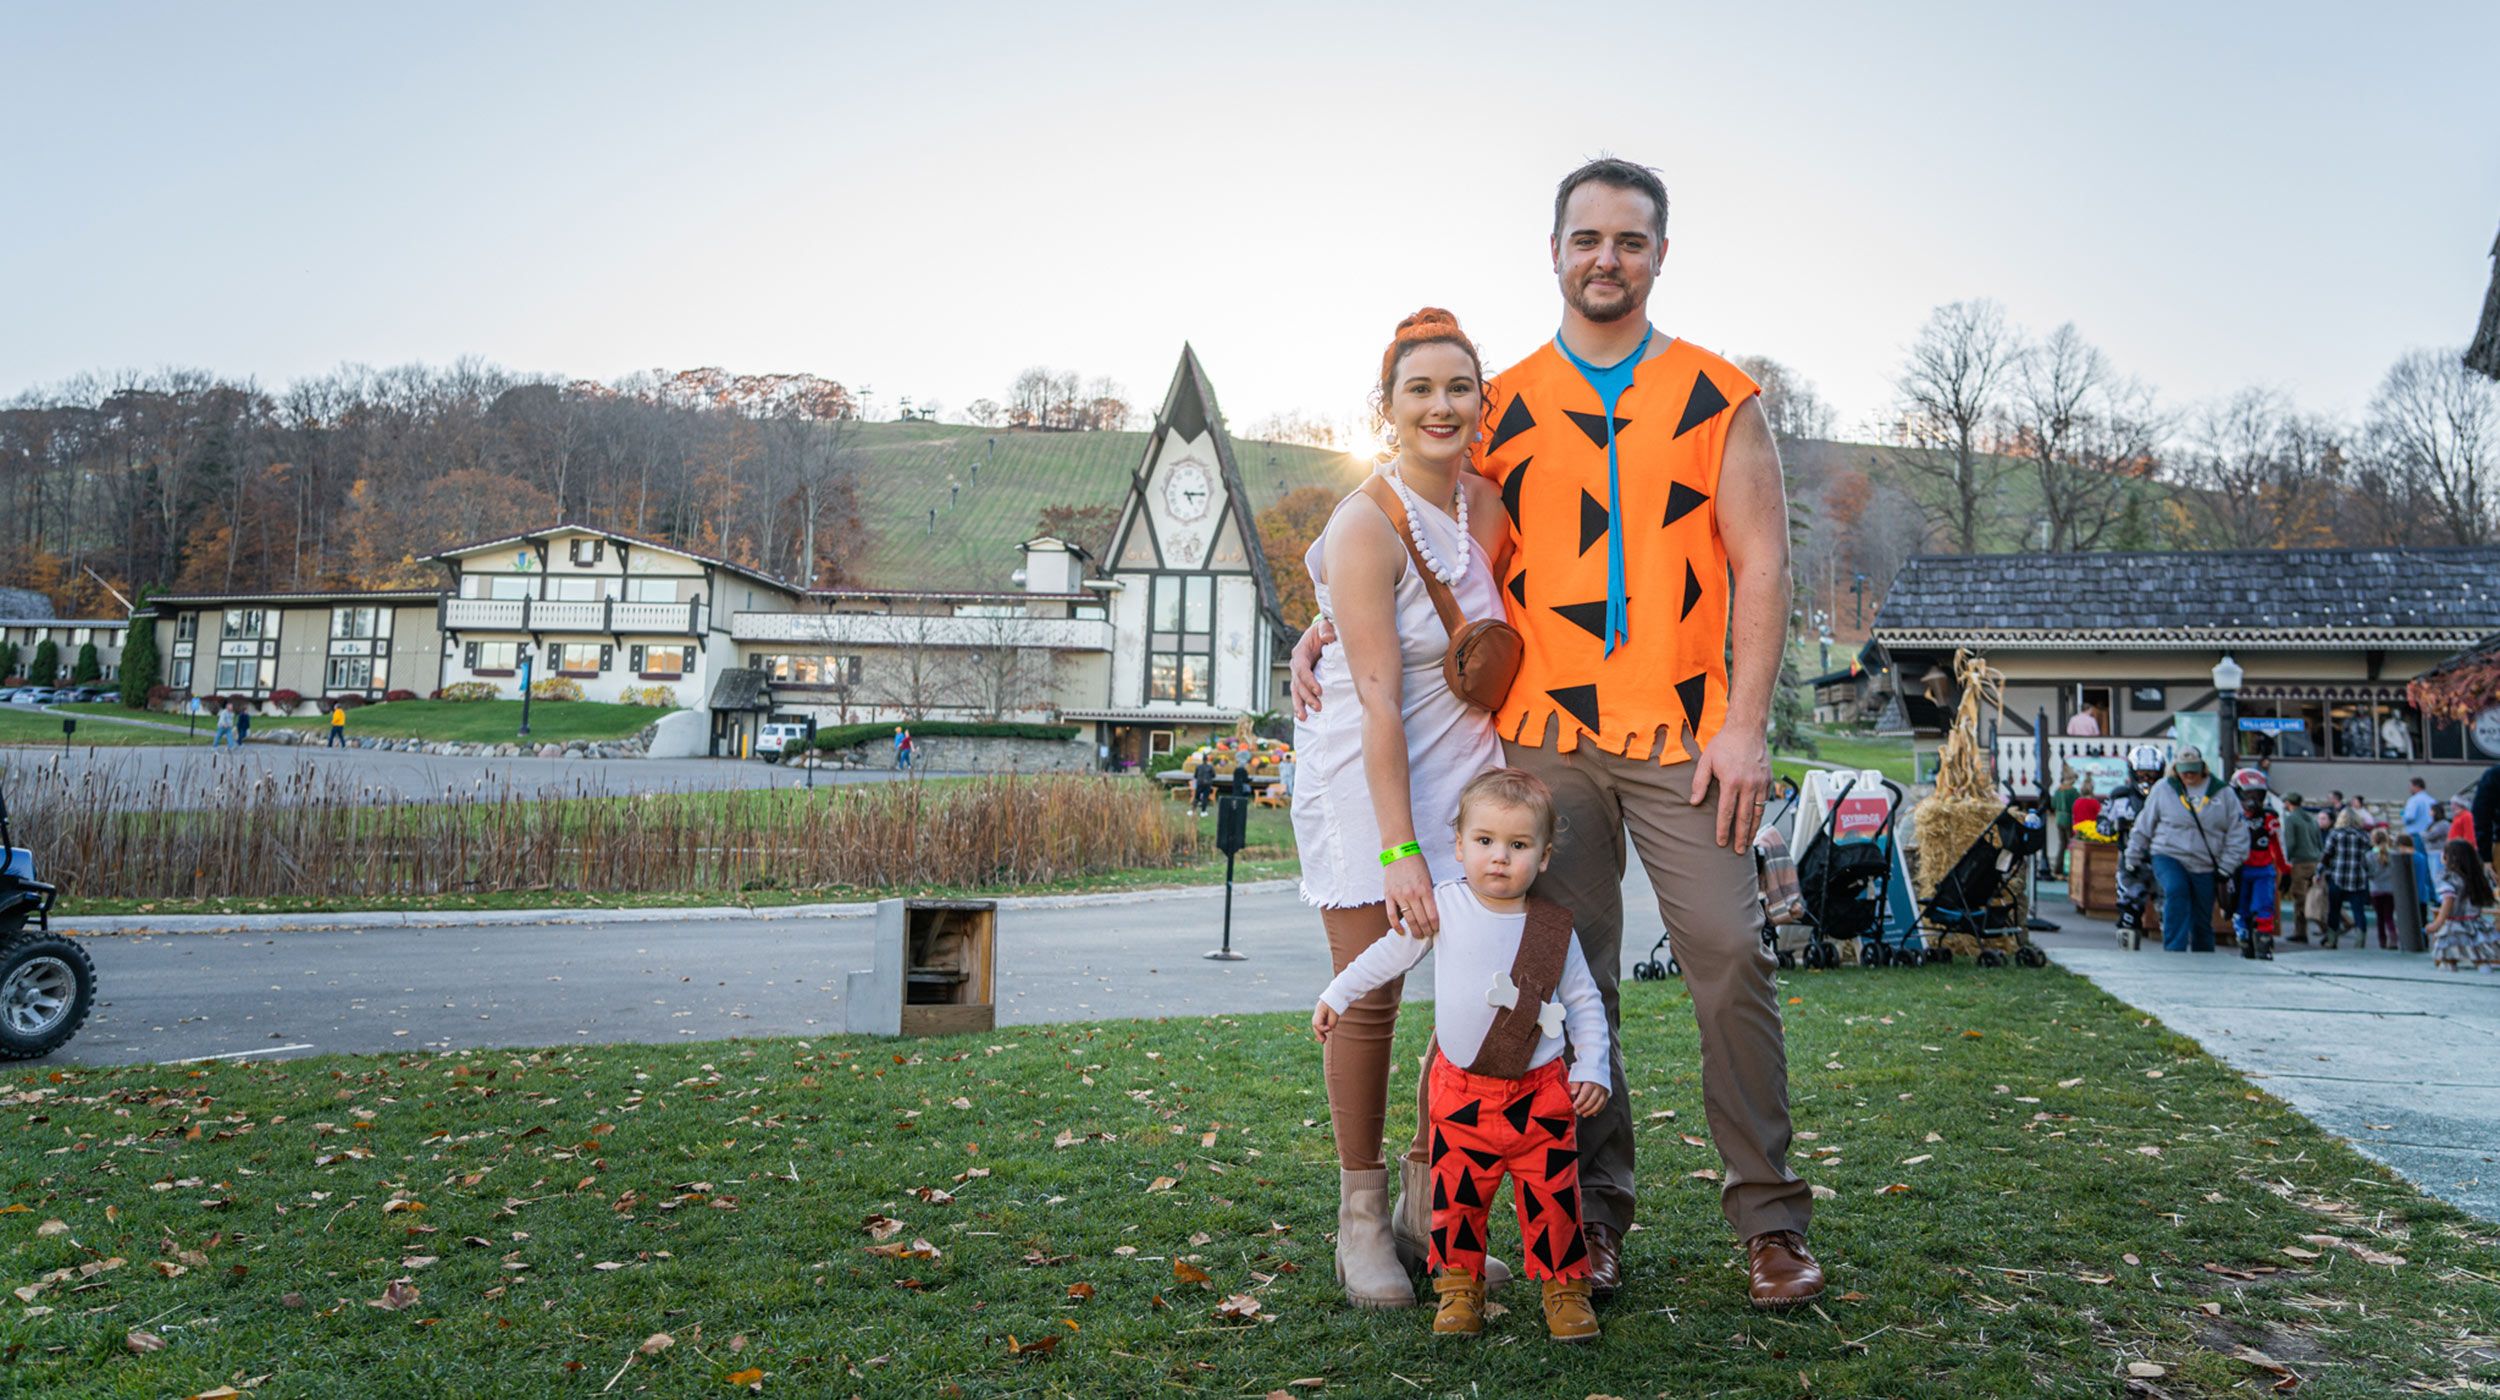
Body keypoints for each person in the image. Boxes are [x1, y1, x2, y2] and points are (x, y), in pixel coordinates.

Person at [1293, 159, 1820, 1310]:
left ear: (1659, 255)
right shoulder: (1504, 406)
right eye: (1586, 238)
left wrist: (1745, 722)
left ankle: (1769, 1219)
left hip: (1686, 735)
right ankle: (1586, 1217)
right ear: (1553, 251)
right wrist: (1324, 622)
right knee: (1563, 975)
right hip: (1541, 743)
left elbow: (1765, 561)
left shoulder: (1718, 396)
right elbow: (1413, 527)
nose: (1606, 258)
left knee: (1728, 950)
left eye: (1629, 241)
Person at [1291, 308, 1511, 1310]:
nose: (1440, 405)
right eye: (1418, 389)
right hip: (1366, 766)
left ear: (1481, 401)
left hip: (1465, 761)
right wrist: (1397, 849)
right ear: (1385, 409)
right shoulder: (1363, 520)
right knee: (1372, 986)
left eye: (1457, 387)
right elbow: (1376, 692)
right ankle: (1360, 1218)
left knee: (1473, 979)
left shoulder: (1492, 508)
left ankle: (1435, 1203)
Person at [1314, 769, 1610, 1342]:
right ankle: (1458, 1290)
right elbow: (1385, 956)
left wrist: (1593, 1065)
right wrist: (1337, 994)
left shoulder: (1553, 929)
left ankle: (1565, 1290)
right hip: (1461, 1093)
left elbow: (1585, 1002)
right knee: (1457, 1201)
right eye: (1484, 842)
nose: (1499, 858)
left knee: (1554, 1199)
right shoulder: (1443, 907)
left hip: (1540, 1094)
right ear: (1458, 845)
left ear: (1543, 857)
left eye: (1518, 846)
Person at [2123, 746, 2249, 954]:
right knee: (2176, 890)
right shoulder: (2164, 788)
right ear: (2176, 769)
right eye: (2184, 770)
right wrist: (2132, 856)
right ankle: (2174, 950)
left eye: (2193, 770)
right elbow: (2144, 824)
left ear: (2203, 768)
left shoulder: (2223, 793)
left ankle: (2203, 956)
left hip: (2206, 861)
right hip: (2168, 853)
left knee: (2202, 915)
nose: (2189, 775)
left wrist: (2227, 865)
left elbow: (2238, 833)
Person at [2100, 746, 2168, 946]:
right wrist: (2115, 825)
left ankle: (2176, 959)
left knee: (2169, 910)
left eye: (2152, 774)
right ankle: (2127, 957)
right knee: (2129, 911)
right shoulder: (2119, 796)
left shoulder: (2168, 796)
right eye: (2141, 774)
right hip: (2130, 863)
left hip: (2162, 860)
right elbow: (2102, 825)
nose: (2146, 779)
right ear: (2132, 771)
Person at [2227, 769, 2282, 960]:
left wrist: (2286, 870)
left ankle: (2263, 945)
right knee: (2239, 909)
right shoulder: (2230, 816)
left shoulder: (2269, 818)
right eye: (2247, 794)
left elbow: (2279, 846)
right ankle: (2244, 942)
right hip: (2238, 869)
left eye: (2257, 795)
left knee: (2264, 907)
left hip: (2263, 869)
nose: (2252, 800)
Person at [2424, 839, 2499, 972]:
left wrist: (2437, 923)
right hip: (2475, 924)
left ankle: (2450, 980)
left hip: (2453, 925)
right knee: (2479, 957)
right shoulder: (2476, 878)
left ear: (2449, 857)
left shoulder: (2448, 878)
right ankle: (2485, 975)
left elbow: (2448, 900)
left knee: (2448, 957)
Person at [2321, 808, 2374, 949]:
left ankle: (2332, 940)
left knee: (2334, 910)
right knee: (2358, 911)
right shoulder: (2364, 836)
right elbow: (2369, 855)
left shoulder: (2335, 834)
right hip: (2358, 878)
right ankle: (2360, 941)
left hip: (2338, 876)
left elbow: (2327, 854)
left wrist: (2320, 870)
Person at [2278, 791, 2324, 944]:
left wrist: (2286, 859)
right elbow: (2319, 841)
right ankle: (2331, 926)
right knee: (2317, 896)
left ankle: (2300, 932)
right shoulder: (2310, 819)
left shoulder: (2291, 819)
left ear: (2288, 803)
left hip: (2300, 862)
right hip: (2315, 860)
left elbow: (2290, 843)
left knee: (2299, 898)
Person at [2367, 826, 2399, 949]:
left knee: (2379, 918)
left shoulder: (2369, 855)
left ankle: (2382, 941)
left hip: (2376, 889)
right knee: (2389, 916)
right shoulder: (2393, 855)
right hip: (2391, 889)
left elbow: (2369, 873)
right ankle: (2393, 937)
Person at [2049, 768, 2080, 878]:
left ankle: (2058, 869)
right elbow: (2077, 806)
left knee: (2062, 845)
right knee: (2071, 845)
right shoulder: (2073, 791)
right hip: (2068, 819)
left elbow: (2053, 805)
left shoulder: (2058, 790)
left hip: (2059, 819)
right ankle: (2071, 869)